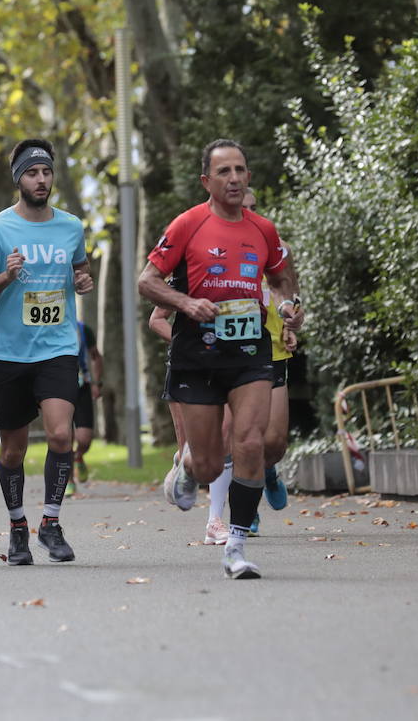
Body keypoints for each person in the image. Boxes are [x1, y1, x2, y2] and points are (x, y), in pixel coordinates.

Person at [137, 139, 304, 580]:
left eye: (240, 170)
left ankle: (235, 545)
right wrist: (187, 304)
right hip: (197, 355)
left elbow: (282, 278)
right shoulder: (187, 225)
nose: (234, 178)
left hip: (250, 352)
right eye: (224, 171)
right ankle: (188, 469)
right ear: (206, 180)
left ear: (248, 176)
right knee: (210, 464)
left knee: (250, 442)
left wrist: (290, 307)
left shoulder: (263, 229)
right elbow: (147, 281)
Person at [0, 139, 92, 566]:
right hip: (8, 354)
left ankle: (51, 523)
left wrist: (82, 280)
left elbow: (79, 266)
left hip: (57, 346)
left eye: (47, 172)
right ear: (18, 178)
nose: (41, 180)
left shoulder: (72, 226)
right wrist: (7, 275)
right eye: (33, 173)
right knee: (13, 451)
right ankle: (18, 526)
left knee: (61, 435)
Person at [69, 319, 103, 496]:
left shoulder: (83, 329)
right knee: (63, 438)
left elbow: (96, 356)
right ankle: (68, 481)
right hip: (57, 388)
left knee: (84, 439)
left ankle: (79, 457)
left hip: (82, 386)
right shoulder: (47, 326)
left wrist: (97, 383)